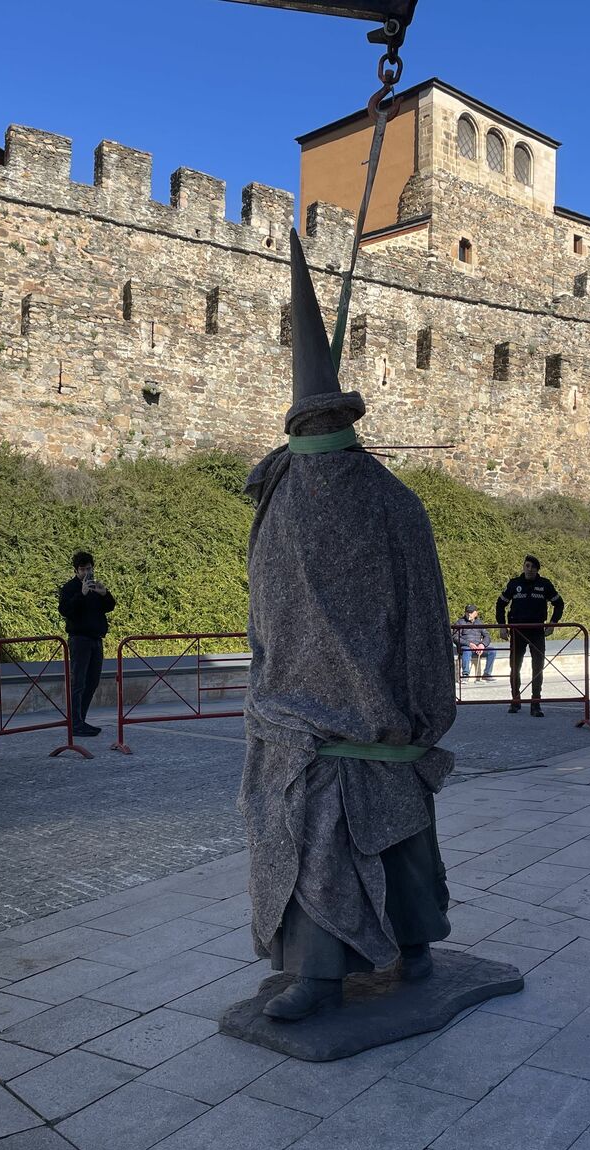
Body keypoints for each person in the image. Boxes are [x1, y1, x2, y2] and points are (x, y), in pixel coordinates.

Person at [239, 231, 455, 1022]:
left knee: (392, 838)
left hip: (373, 721)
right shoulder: (277, 500)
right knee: (313, 843)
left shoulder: (393, 506)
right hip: (294, 722)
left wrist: (423, 713)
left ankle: (416, 944)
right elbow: (265, 612)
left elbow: (426, 620)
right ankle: (319, 973)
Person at [495, 555, 565, 716]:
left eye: (533, 567)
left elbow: (558, 603)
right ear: (523, 567)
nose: (530, 569)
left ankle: (536, 703)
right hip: (517, 631)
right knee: (515, 667)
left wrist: (553, 623)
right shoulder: (514, 584)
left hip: (537, 631)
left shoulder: (545, 584)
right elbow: (500, 604)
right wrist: (502, 626)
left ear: (537, 569)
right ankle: (515, 700)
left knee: (538, 667)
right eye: (527, 566)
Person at [58, 551, 116, 738]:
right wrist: (81, 595)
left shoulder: (95, 587)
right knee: (79, 682)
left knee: (92, 681)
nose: (86, 572)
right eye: (82, 569)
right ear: (76, 570)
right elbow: (65, 610)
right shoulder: (70, 588)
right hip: (79, 639)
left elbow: (110, 606)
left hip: (96, 638)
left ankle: (81, 720)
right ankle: (75, 722)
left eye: (89, 568)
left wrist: (104, 593)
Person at [453, 604, 496, 680]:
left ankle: (487, 674)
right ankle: (465, 675)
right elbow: (455, 637)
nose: (469, 614)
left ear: (476, 613)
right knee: (467, 650)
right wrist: (469, 644)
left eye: (471, 612)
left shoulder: (479, 623)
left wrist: (482, 645)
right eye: (467, 612)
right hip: (466, 647)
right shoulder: (460, 622)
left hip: (478, 648)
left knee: (492, 651)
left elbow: (487, 636)